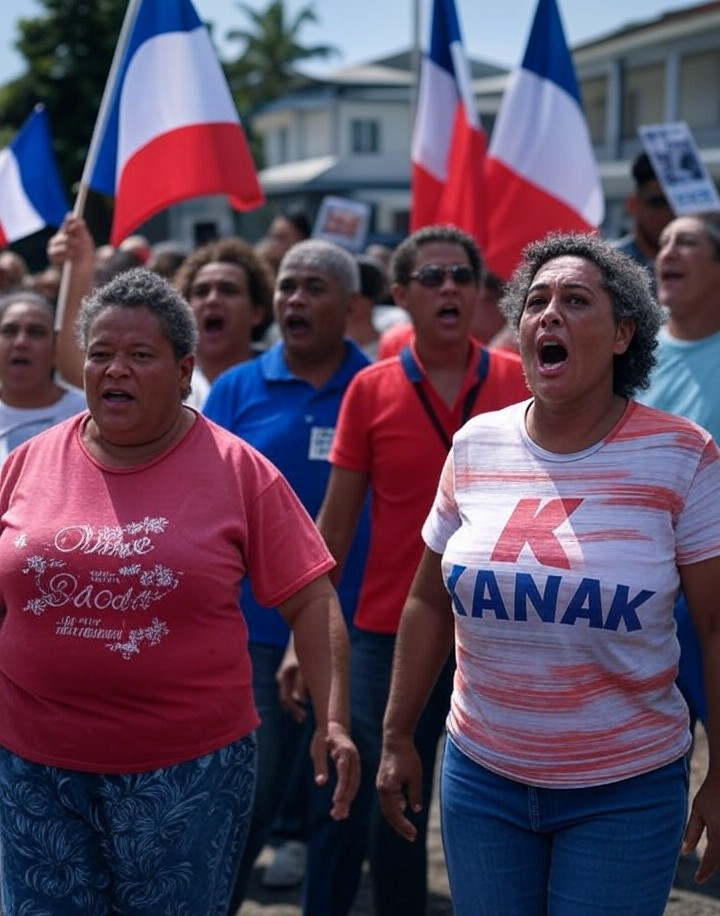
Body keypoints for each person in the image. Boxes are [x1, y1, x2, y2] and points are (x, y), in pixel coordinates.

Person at [377, 232, 720, 916]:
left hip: (626, 788)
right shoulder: (476, 445)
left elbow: (715, 626)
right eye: (535, 302)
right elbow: (425, 602)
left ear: (625, 333)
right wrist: (395, 736)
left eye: (574, 300)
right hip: (481, 783)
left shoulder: (683, 455)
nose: (548, 315)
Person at [0, 267, 359, 916]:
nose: (116, 370)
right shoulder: (26, 464)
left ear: (184, 368)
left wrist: (332, 720)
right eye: (102, 354)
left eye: (140, 356)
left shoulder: (237, 469)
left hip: (186, 773)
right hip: (35, 766)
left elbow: (311, 595)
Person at [312, 225, 529, 916]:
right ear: (401, 295)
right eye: (432, 277)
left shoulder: (521, 379)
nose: (450, 288)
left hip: (500, 626)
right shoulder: (370, 391)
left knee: (511, 789)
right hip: (386, 631)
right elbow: (335, 525)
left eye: (463, 276)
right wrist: (303, 633)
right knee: (393, 796)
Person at [203, 239, 371, 910]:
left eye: (313, 288)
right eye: (287, 287)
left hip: (355, 626)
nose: (294, 300)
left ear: (352, 305)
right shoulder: (237, 388)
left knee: (340, 799)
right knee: (248, 796)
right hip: (255, 628)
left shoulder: (377, 387)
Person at [636, 210, 720, 736]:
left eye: (686, 243)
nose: (667, 253)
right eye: (663, 242)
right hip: (640, 595)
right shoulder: (625, 354)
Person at [174, 236, 275, 406]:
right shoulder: (168, 388)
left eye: (228, 291)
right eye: (201, 292)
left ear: (257, 313)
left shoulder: (280, 386)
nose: (212, 300)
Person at [0, 289, 85, 465]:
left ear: (56, 348)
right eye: (9, 331)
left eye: (36, 332)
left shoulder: (87, 414)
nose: (21, 342)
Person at [614, 151, 674, 277]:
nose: (670, 214)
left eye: (678, 204)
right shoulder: (607, 267)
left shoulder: (704, 269)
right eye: (658, 203)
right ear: (633, 204)